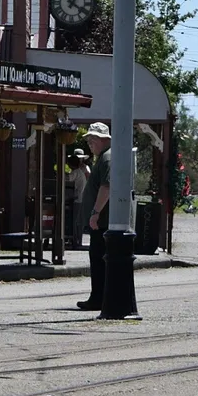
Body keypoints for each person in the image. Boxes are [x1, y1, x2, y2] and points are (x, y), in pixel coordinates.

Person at [76, 124, 112, 311]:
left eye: (94, 139)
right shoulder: (102, 158)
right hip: (101, 220)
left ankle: (98, 299)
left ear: (105, 139)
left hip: (103, 221)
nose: (91, 143)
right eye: (89, 140)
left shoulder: (107, 158)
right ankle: (98, 297)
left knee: (99, 260)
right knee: (97, 259)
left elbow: (106, 187)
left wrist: (96, 213)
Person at [67, 148, 90, 250]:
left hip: (78, 198)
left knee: (76, 221)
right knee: (78, 221)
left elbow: (68, 179)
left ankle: (76, 240)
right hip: (82, 197)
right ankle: (76, 240)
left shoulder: (78, 171)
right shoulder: (78, 171)